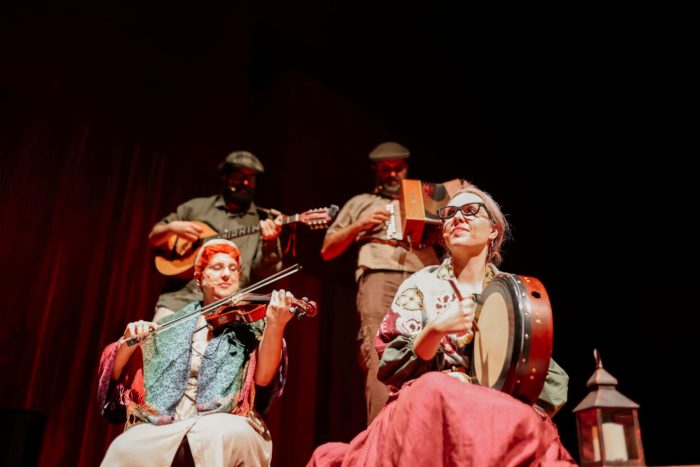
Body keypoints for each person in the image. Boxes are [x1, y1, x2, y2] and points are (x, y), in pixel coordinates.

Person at [309, 184, 575, 466]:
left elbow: (545, 377)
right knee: (433, 389)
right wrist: (435, 330)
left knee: (530, 429)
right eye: (449, 213)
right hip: (431, 405)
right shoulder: (420, 284)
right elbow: (392, 366)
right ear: (444, 232)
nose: (457, 218)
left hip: (492, 411)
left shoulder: (513, 294)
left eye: (470, 211)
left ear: (494, 230)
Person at [98, 239, 295, 466]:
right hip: (168, 420)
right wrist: (128, 342)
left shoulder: (252, 326)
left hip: (223, 417)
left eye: (232, 269)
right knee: (124, 447)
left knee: (224, 434)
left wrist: (276, 325)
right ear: (199, 277)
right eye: (217, 267)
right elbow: (115, 373)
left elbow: (264, 378)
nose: (226, 274)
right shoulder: (172, 325)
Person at [320, 142, 440, 424]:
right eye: (386, 169)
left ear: (407, 169)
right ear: (376, 171)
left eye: (398, 168)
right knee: (379, 350)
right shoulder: (361, 202)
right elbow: (327, 250)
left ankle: (424, 431)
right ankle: (380, 434)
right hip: (380, 272)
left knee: (434, 352)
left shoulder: (424, 199)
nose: (392, 174)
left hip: (425, 274)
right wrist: (360, 224)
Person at [149, 150, 283, 322]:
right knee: (158, 339)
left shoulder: (261, 221)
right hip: (178, 300)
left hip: (227, 309)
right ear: (225, 177)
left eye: (251, 178)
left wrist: (270, 242)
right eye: (238, 176)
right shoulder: (197, 207)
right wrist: (172, 228)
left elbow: (268, 272)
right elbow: (154, 237)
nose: (245, 183)